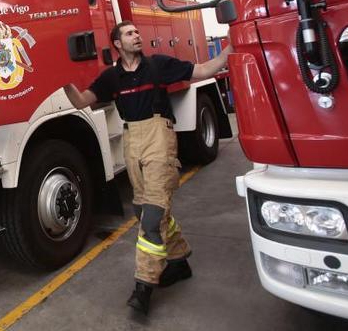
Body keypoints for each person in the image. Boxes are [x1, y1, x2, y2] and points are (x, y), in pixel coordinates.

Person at [63, 20, 231, 315]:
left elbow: (203, 70)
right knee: (144, 209)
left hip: (159, 138)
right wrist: (60, 77)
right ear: (117, 43)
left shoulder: (158, 66)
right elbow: (80, 101)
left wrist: (230, 49)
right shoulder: (111, 78)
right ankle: (179, 262)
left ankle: (143, 287)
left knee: (152, 215)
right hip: (132, 142)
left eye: (137, 32)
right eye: (129, 34)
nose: (137, 36)